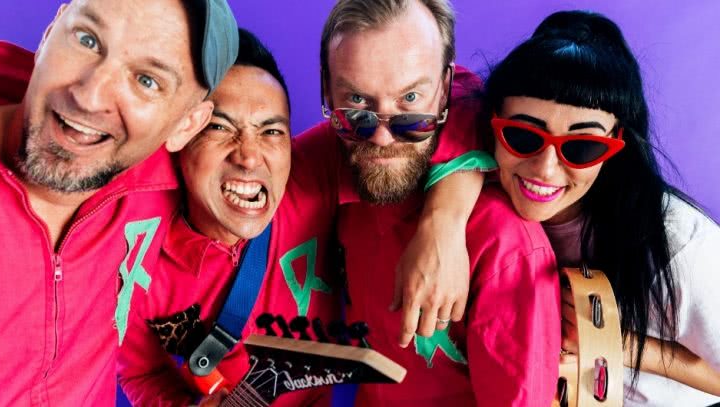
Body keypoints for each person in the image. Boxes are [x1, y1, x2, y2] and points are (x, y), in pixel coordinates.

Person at [0, 0, 238, 404]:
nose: (89, 96)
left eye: (147, 80)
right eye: (87, 40)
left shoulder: (162, 182)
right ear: (50, 32)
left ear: (185, 125)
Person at [296, 0, 563, 405]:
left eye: (410, 98)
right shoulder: (346, 174)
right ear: (327, 89)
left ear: (444, 88)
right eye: (358, 101)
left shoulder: (504, 245)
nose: (382, 137)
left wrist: (445, 220)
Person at [482, 10, 720, 406]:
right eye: (522, 136)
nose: (545, 169)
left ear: (617, 145)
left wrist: (614, 341)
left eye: (582, 147)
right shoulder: (478, 191)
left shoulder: (681, 246)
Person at [117, 28, 340, 406]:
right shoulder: (135, 257)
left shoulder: (316, 172)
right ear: (181, 134)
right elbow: (142, 373)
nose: (249, 157)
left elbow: (424, 120)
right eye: (219, 127)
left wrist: (441, 210)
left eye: (271, 131)